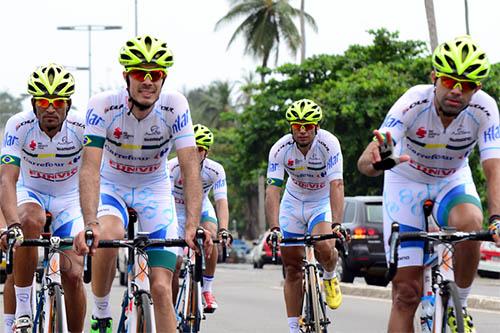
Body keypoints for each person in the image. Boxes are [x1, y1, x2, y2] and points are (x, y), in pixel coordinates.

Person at [357, 36, 500, 333]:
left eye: (468, 85)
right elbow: (366, 161)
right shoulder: (413, 102)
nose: (457, 91)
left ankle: (458, 305)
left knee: (472, 223)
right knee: (405, 294)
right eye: (449, 81)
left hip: (452, 180)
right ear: (434, 77)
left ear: (478, 89)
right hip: (405, 182)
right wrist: (377, 161)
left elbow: (493, 168)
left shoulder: (485, 110)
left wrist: (497, 218)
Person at [72, 35, 206, 333]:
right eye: (139, 73)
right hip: (112, 186)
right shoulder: (102, 106)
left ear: (163, 78)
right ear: (126, 77)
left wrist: (192, 225)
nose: (148, 81)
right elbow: (90, 169)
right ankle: (101, 313)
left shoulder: (175, 106)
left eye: (155, 74)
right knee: (109, 232)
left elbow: (189, 168)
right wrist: (90, 222)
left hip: (155, 189)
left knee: (161, 288)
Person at [0, 64, 86, 332]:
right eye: (44, 101)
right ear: (34, 103)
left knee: (72, 276)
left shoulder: (82, 127)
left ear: (68, 104)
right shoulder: (18, 125)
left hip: (70, 198)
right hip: (31, 192)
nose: (51, 107)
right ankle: (23, 310)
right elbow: (6, 179)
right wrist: (11, 224)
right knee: (29, 220)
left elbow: (98, 174)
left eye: (58, 101)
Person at [265, 99, 347, 333]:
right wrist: (273, 227)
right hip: (293, 202)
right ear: (291, 126)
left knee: (324, 247)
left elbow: (337, 184)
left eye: (308, 126)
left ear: (316, 127)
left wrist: (337, 224)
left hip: (321, 201)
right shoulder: (280, 149)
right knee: (292, 268)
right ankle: (293, 327)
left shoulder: (329, 144)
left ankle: (330, 276)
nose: (302, 130)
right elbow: (272, 189)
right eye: (298, 125)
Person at [169, 124, 232, 313]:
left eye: (200, 149)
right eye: (191, 148)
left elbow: (221, 202)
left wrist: (224, 229)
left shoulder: (215, 170)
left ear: (207, 152)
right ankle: (170, 313)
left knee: (211, 236)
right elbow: (166, 203)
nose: (195, 153)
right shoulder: (171, 167)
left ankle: (207, 289)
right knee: (175, 263)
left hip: (202, 207)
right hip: (175, 210)